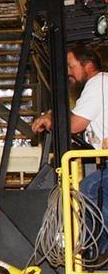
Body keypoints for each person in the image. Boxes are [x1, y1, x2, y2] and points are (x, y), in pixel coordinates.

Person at [32, 44, 108, 210]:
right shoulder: (97, 85)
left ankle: (95, 237)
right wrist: (51, 114)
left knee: (88, 190)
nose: (68, 72)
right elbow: (72, 115)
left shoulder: (98, 83)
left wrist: (50, 121)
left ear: (87, 65)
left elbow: (74, 125)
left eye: (71, 66)